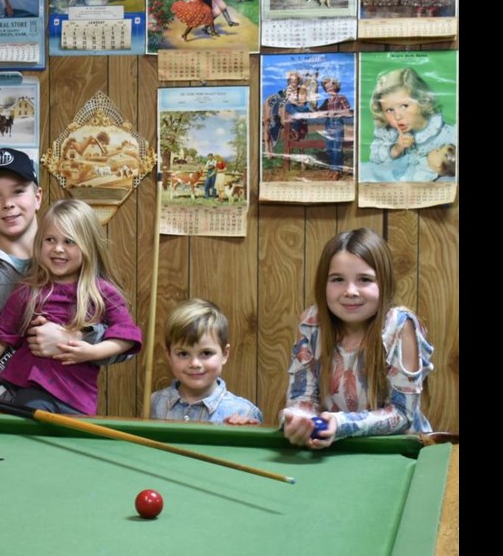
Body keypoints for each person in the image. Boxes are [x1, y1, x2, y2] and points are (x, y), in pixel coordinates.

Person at [0, 149, 118, 400]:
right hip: (2, 413)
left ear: (37, 197)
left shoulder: (72, 259)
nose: (8, 203)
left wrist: (73, 338)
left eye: (18, 191)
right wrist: (12, 403)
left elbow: (123, 339)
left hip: (70, 401)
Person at [0, 199, 142, 415]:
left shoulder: (102, 293)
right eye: (50, 239)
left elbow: (127, 337)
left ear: (89, 246)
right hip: (32, 394)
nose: (58, 249)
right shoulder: (28, 291)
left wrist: (92, 352)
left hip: (80, 400)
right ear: (39, 243)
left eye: (69, 241)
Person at [281, 228, 434, 449]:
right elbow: (301, 399)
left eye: (364, 279)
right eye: (337, 279)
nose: (350, 291)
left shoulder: (400, 325)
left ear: (384, 283)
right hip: (334, 450)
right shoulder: (312, 323)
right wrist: (297, 420)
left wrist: (340, 423)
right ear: (323, 284)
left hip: (400, 451)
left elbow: (402, 415)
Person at [151, 299, 261, 424]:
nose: (195, 364)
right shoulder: (154, 403)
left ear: (225, 354)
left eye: (206, 353)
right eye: (183, 354)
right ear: (169, 355)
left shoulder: (244, 412)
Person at [366, 67, 456, 182]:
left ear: (421, 100)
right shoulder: (388, 131)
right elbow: (374, 157)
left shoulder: (444, 133)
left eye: (404, 106)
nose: (397, 116)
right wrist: (396, 149)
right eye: (389, 110)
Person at [317, 76, 352, 177]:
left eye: (331, 88)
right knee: (329, 148)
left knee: (337, 148)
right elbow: (319, 111)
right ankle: (333, 169)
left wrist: (336, 113)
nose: (329, 90)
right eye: (327, 89)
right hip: (328, 123)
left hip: (337, 123)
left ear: (335, 87)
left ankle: (337, 171)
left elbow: (347, 111)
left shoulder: (341, 97)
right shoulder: (327, 101)